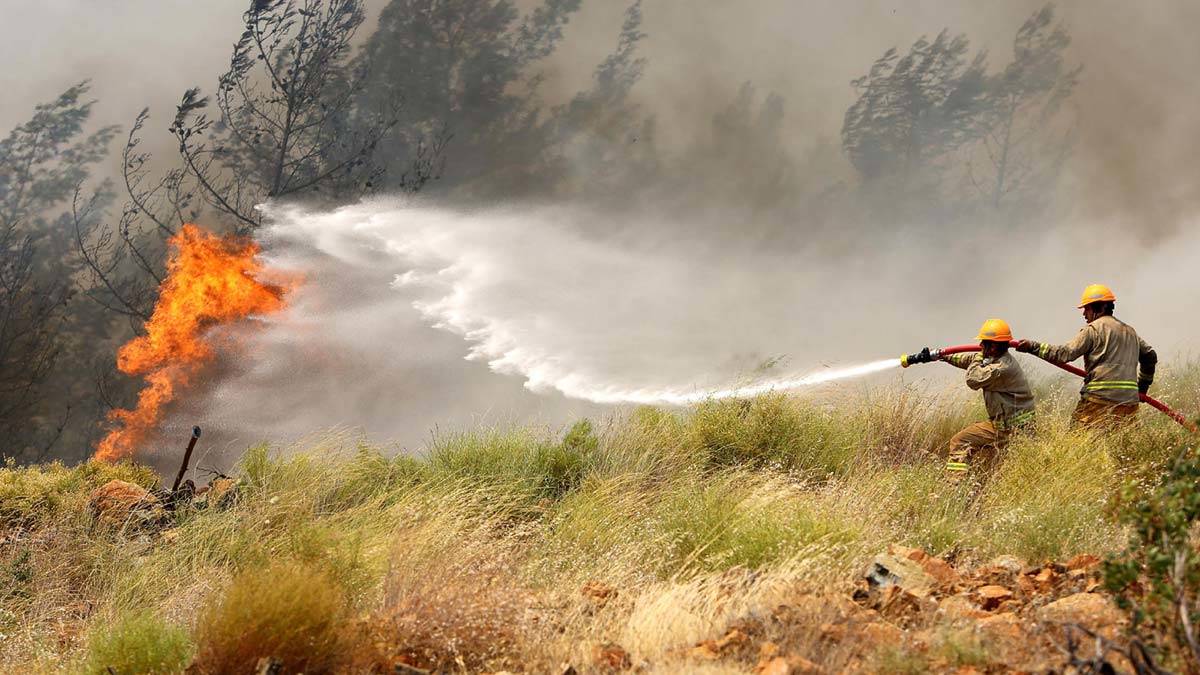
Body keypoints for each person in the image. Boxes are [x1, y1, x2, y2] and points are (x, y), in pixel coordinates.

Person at [1016, 284, 1157, 428]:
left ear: (1099, 307)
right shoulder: (1130, 332)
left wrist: (1032, 347)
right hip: (1129, 404)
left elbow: (1064, 354)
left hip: (1098, 402)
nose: (1084, 313)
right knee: (1120, 446)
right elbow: (1150, 356)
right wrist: (1142, 388)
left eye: (1087, 308)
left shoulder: (1093, 330)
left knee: (1076, 441)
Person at [939, 319, 1036, 484]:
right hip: (1011, 426)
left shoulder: (1002, 368)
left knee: (960, 441)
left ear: (993, 346)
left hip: (1008, 428)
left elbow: (973, 378)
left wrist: (978, 355)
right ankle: (983, 485)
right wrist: (942, 356)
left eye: (983, 343)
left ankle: (954, 487)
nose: (980, 347)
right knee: (997, 463)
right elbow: (969, 361)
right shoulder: (997, 359)